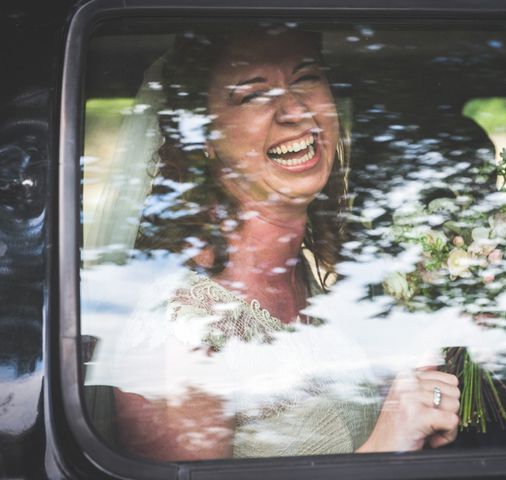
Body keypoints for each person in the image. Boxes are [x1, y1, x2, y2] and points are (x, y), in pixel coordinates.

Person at [101, 27, 460, 461]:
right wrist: (384, 446)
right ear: (202, 138)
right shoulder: (176, 331)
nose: (294, 110)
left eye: (306, 77)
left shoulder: (313, 282)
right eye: (253, 94)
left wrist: (418, 387)